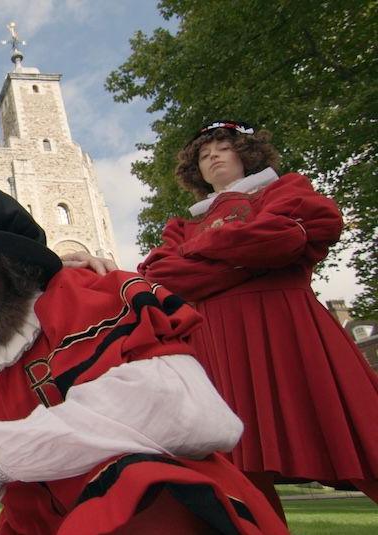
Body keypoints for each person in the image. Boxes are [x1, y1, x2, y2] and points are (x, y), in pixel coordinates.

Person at [0, 182, 289, 535]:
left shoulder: (79, 300)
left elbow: (183, 408)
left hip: (159, 512)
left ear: (16, 269)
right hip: (36, 525)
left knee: (140, 481)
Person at [138, 120, 378, 515]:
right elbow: (162, 276)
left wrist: (204, 252)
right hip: (217, 345)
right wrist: (244, 251)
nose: (213, 156)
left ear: (245, 153)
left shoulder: (286, 189)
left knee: (350, 437)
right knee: (241, 477)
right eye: (203, 154)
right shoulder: (182, 226)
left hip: (286, 327)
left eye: (222, 148)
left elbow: (283, 238)